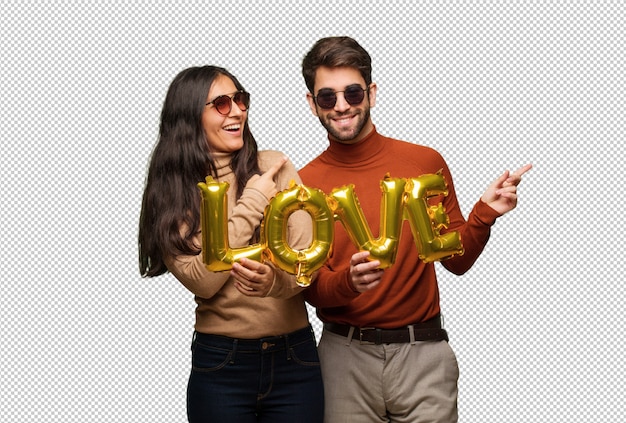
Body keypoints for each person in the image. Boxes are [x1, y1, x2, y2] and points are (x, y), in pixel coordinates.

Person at [298, 36, 532, 423]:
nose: (341, 106)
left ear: (371, 92)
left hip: (422, 354)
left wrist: (484, 214)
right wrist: (348, 282)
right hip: (343, 358)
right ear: (311, 103)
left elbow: (456, 263)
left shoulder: (423, 162)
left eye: (353, 92)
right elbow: (306, 287)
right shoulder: (303, 184)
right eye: (327, 97)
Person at [138, 65, 324, 423]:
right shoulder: (173, 192)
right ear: (191, 116)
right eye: (221, 104)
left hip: (294, 359)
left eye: (240, 99)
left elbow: (306, 263)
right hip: (222, 363)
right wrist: (254, 199)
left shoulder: (274, 165)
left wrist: (273, 282)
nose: (238, 110)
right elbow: (204, 281)